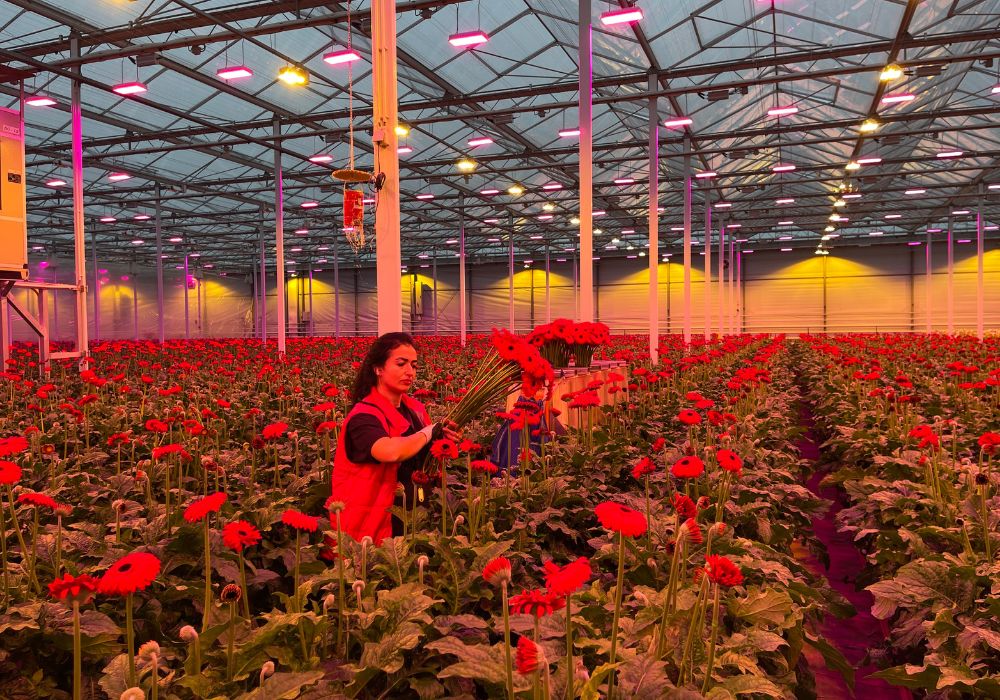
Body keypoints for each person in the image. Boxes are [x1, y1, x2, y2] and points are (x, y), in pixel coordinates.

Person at [331, 332, 460, 543]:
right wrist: (429, 431)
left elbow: (421, 457)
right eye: (401, 364)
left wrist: (443, 442)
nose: (410, 372)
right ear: (378, 369)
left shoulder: (415, 410)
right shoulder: (363, 417)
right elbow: (392, 451)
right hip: (371, 530)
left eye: (414, 365)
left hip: (413, 522)